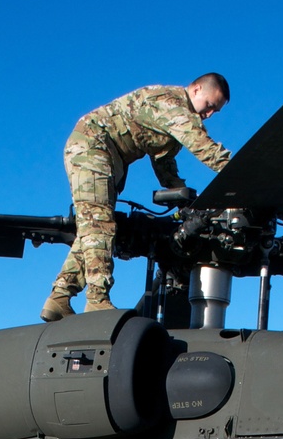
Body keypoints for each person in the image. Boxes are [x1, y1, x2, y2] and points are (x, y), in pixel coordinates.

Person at [41, 74, 232, 322]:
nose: (209, 114)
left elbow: (164, 162)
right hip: (92, 148)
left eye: (215, 111)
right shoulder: (172, 105)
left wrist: (185, 200)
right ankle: (97, 300)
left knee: (95, 227)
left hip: (106, 157)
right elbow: (204, 147)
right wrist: (243, 175)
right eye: (209, 106)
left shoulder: (173, 118)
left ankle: (59, 297)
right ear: (196, 89)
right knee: (99, 225)